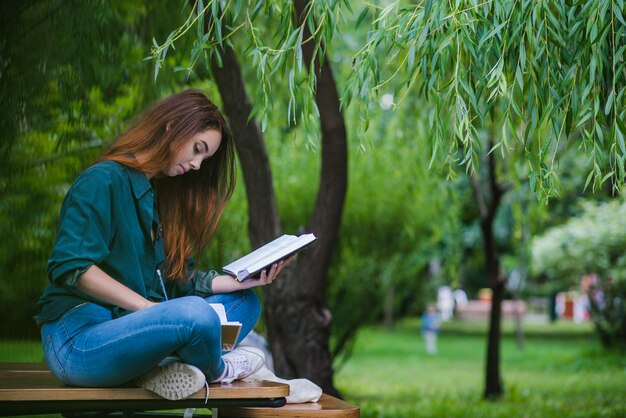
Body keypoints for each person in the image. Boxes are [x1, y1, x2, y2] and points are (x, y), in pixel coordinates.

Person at [35, 89, 290, 401]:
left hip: (137, 328)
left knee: (245, 303)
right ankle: (220, 370)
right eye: (197, 150)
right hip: (79, 340)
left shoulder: (159, 197)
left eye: (204, 158)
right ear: (173, 126)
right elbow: (74, 268)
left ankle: (162, 367)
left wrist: (240, 279)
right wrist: (148, 309)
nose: (197, 164)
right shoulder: (102, 181)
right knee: (196, 315)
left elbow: (177, 282)